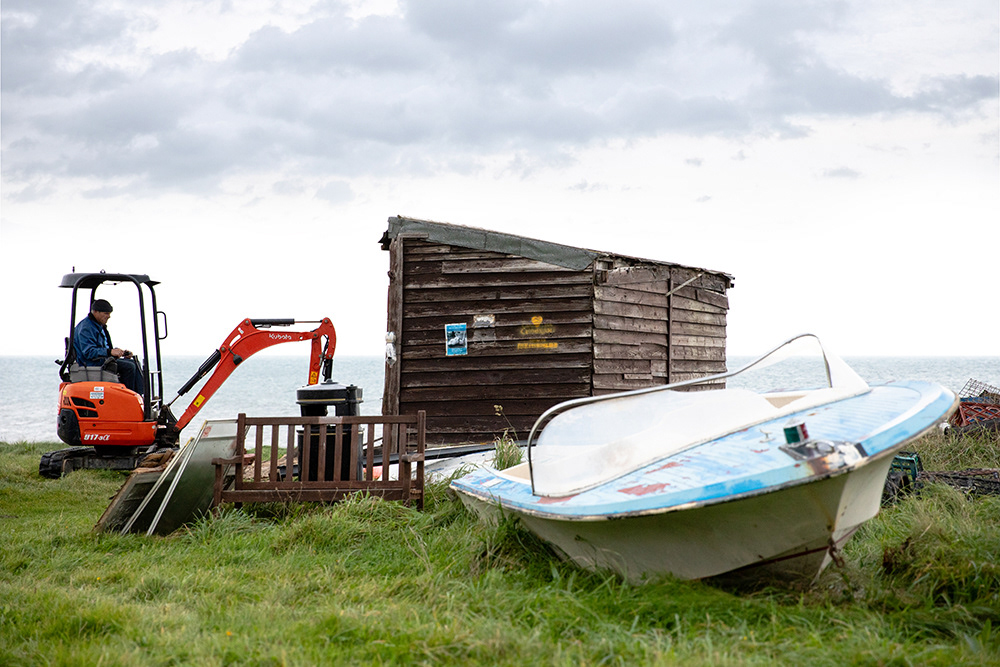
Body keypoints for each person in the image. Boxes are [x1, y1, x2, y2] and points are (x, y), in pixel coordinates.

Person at [73, 299, 144, 395]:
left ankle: (141, 395)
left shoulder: (98, 326)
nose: (109, 316)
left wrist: (119, 353)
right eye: (106, 313)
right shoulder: (86, 328)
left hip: (100, 361)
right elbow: (89, 352)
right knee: (129, 367)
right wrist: (109, 352)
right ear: (95, 312)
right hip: (91, 364)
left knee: (134, 362)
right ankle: (129, 397)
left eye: (109, 313)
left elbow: (104, 348)